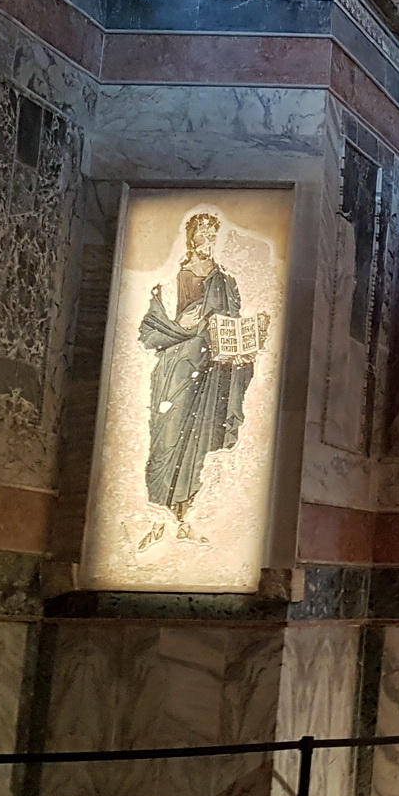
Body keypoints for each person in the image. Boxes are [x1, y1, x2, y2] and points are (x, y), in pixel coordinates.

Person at [137, 212, 259, 548]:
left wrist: (245, 345)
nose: (208, 240)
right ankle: (154, 517)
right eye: (203, 233)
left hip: (211, 371)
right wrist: (183, 324)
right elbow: (149, 330)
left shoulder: (225, 279)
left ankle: (184, 518)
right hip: (177, 368)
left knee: (200, 441)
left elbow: (230, 322)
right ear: (191, 236)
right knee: (166, 438)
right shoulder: (171, 277)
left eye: (212, 234)